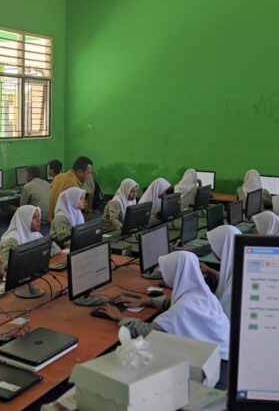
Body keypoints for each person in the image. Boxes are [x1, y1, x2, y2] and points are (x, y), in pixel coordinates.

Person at [98, 251, 230, 389]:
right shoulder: (203, 293)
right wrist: (149, 301)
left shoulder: (183, 308)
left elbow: (150, 332)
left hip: (216, 370)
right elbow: (174, 302)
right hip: (223, 356)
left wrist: (121, 317)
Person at [199, 225, 241, 320]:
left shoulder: (234, 287)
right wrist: (209, 270)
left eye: (212, 245)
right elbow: (227, 278)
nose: (211, 249)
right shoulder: (239, 264)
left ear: (222, 247)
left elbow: (222, 315)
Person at [48, 156, 93, 222]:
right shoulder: (74, 186)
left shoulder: (58, 177)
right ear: (80, 171)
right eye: (88, 173)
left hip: (52, 220)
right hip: (64, 222)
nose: (90, 176)